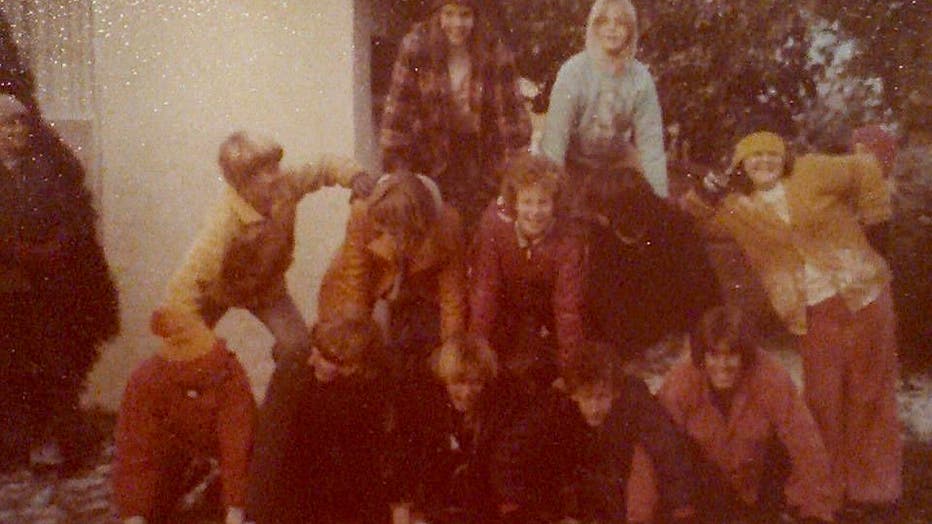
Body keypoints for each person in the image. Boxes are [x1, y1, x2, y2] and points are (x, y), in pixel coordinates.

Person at [682, 130, 902, 519]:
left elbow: (866, 169)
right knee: (822, 400)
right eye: (753, 158)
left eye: (770, 154)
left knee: (871, 392)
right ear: (741, 166)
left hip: (865, 295)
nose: (763, 162)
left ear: (783, 156)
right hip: (812, 311)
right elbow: (692, 221)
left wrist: (876, 224)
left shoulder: (812, 171)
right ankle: (823, 491)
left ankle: (874, 491)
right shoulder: (739, 209)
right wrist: (707, 191)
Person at [163, 131, 364, 521]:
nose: (274, 176)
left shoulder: (286, 185)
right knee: (181, 366)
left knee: (299, 349)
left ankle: (275, 424)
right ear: (242, 184)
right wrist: (185, 334)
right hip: (219, 291)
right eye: (262, 173)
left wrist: (354, 176)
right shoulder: (223, 222)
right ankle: (182, 456)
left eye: (275, 166)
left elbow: (323, 168)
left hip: (267, 289)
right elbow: (186, 283)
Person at [0, 93, 119, 470]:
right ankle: (14, 448)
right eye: (7, 124)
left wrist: (52, 250)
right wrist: (16, 253)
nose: (17, 130)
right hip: (7, 289)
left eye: (21, 122)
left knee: (57, 364)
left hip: (49, 287)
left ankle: (63, 445)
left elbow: (69, 218)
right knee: (12, 370)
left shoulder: (45, 171)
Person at [650, 306, 837, 523]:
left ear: (746, 355)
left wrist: (817, 513)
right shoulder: (680, 382)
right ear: (702, 355)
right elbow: (656, 452)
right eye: (714, 355)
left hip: (757, 483)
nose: (722, 366)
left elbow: (805, 444)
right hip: (704, 487)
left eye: (731, 355)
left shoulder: (771, 377)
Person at [380, 0, 531, 231]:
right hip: (429, 152)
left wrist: (514, 180)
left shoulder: (494, 49)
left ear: (476, 16)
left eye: (465, 15)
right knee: (435, 227)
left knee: (483, 226)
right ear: (437, 14)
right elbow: (397, 118)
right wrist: (398, 175)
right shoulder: (416, 47)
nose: (457, 23)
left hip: (481, 154)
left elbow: (511, 123)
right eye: (449, 14)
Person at [394, 333, 566, 524]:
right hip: (439, 506)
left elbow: (501, 473)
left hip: (482, 507)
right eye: (458, 382)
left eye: (475, 382)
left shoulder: (502, 412)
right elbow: (414, 462)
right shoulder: (429, 409)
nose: (467, 392)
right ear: (445, 379)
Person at [113, 307, 256, 524]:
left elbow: (237, 447)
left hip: (220, 451)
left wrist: (236, 508)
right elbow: (135, 450)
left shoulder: (230, 374)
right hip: (173, 451)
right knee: (152, 508)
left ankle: (216, 488)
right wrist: (134, 514)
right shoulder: (145, 380)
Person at [572, 151, 719, 362]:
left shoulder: (675, 226)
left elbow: (705, 291)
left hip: (674, 324)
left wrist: (694, 340)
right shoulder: (602, 232)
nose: (598, 217)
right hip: (632, 333)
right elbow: (599, 296)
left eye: (602, 212)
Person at [248, 315, 393, 524]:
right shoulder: (295, 375)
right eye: (315, 349)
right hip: (296, 481)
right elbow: (271, 451)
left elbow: (365, 469)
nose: (311, 359)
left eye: (325, 358)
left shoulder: (374, 392)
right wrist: (258, 516)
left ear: (353, 367)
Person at [469, 153, 585, 388]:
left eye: (543, 202)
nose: (534, 212)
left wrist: (571, 370)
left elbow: (567, 307)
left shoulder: (569, 238)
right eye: (527, 202)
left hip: (546, 310)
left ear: (554, 204)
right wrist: (475, 353)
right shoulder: (494, 226)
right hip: (507, 306)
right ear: (515, 202)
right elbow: (485, 292)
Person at [548, 340, 696, 523]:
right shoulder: (563, 412)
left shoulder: (636, 403)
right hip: (594, 502)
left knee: (642, 455)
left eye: (601, 397)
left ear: (615, 392)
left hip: (633, 497)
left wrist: (681, 507)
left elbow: (668, 449)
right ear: (574, 395)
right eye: (587, 398)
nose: (594, 408)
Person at [540, 0, 668, 198]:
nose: (612, 29)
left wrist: (660, 198)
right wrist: (552, 191)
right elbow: (555, 141)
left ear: (631, 31)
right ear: (594, 27)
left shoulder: (641, 79)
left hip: (613, 165)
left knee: (637, 206)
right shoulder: (573, 72)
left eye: (620, 23)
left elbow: (651, 144)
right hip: (570, 162)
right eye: (604, 21)